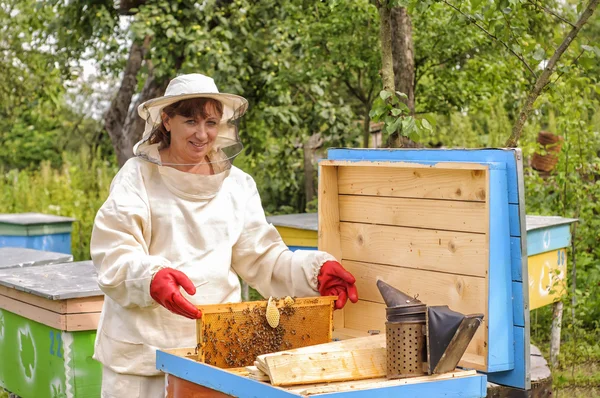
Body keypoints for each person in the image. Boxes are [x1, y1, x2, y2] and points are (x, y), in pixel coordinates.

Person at [90, 73, 359, 398]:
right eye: (190, 121)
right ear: (167, 120)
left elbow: (264, 259)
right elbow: (114, 253)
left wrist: (315, 272)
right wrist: (150, 279)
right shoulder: (137, 177)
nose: (202, 134)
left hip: (218, 351)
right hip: (142, 358)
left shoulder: (237, 185)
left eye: (211, 122)